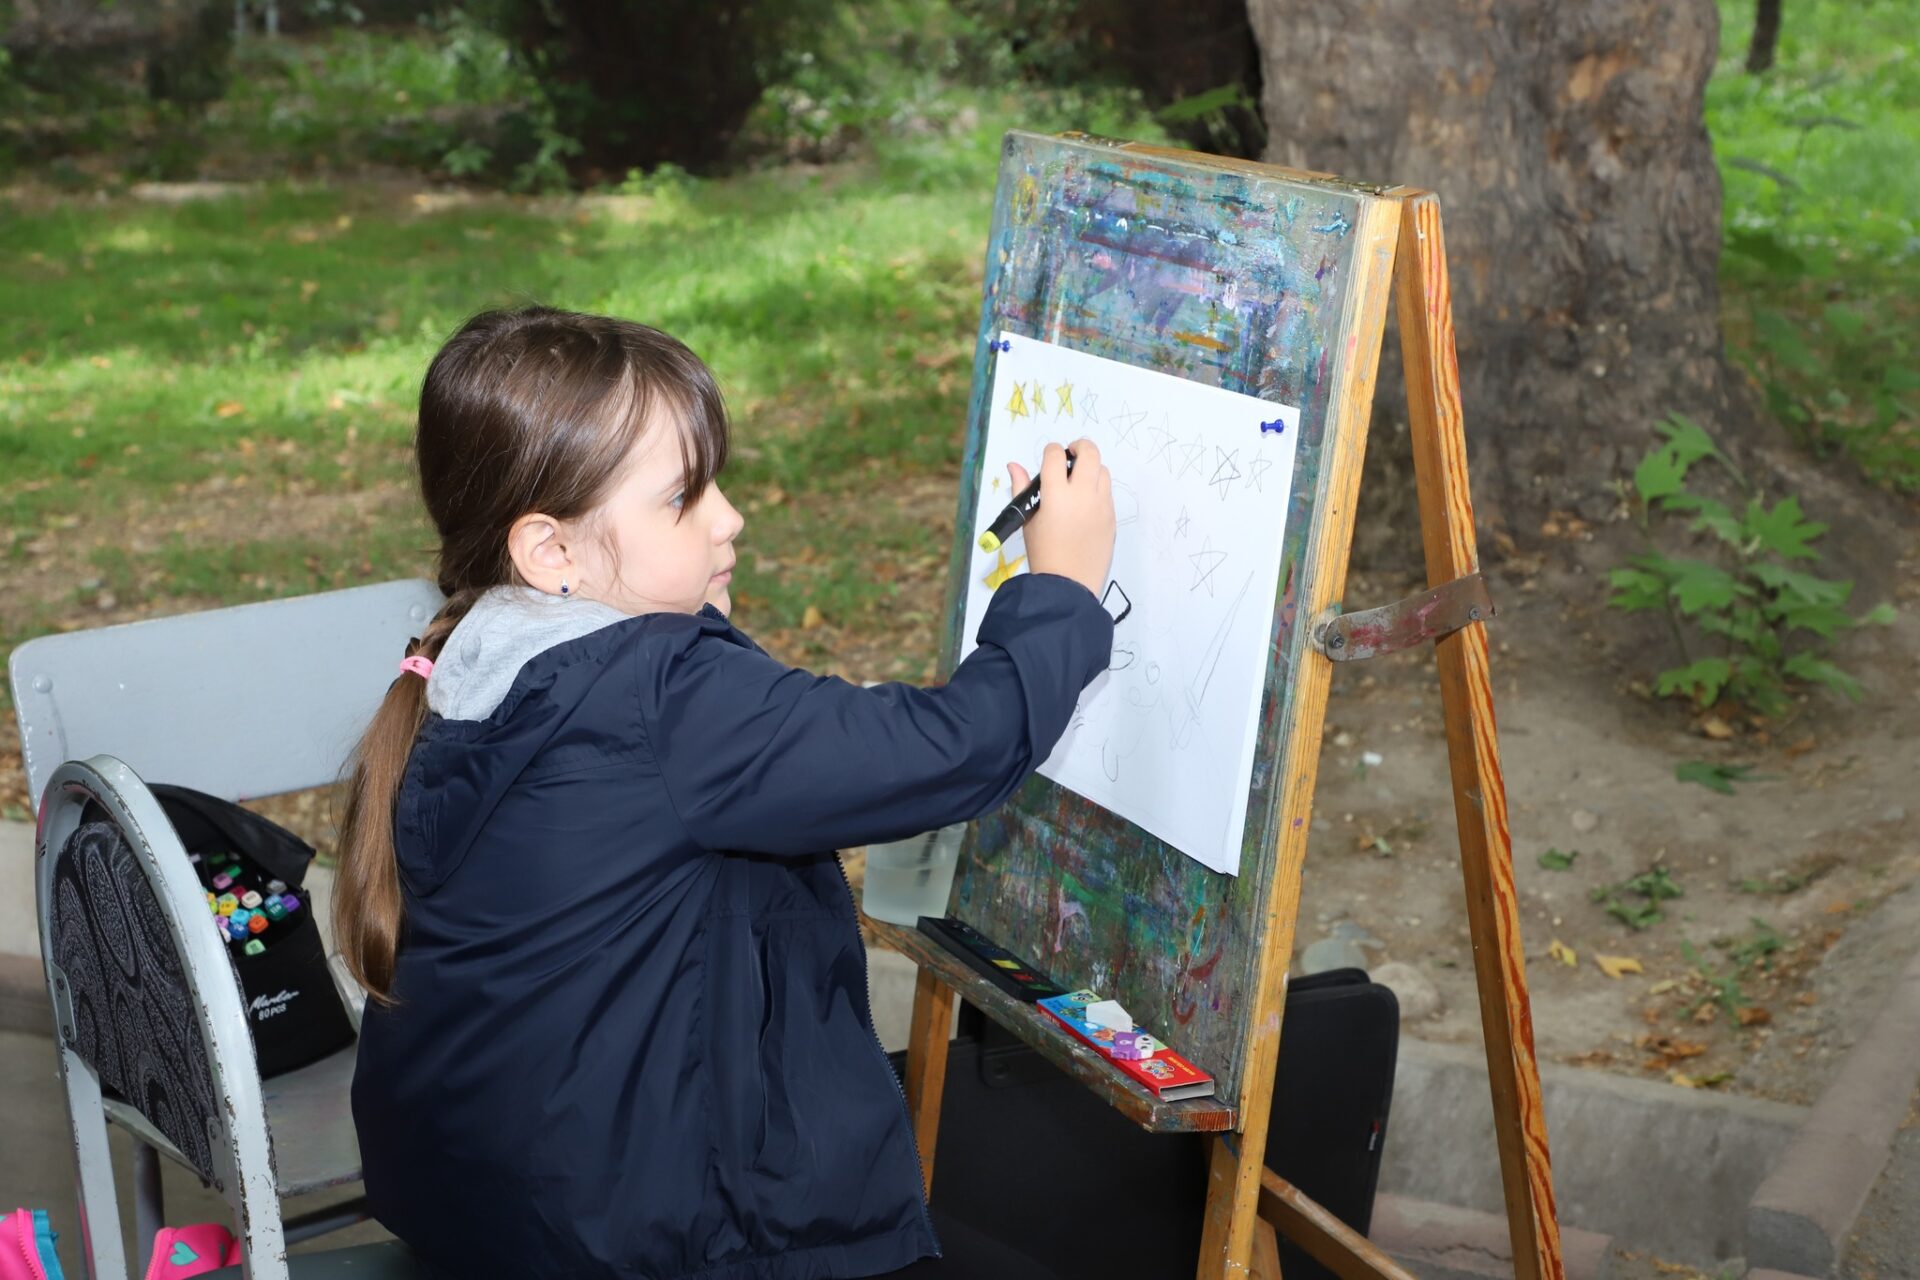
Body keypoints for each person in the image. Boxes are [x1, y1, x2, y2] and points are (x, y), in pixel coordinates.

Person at [333, 305, 1117, 1279]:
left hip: (502, 1215)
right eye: (683, 497)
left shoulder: (479, 654)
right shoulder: (660, 692)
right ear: (551, 552)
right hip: (659, 1238)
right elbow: (955, 748)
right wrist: (1064, 588)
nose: (730, 516)